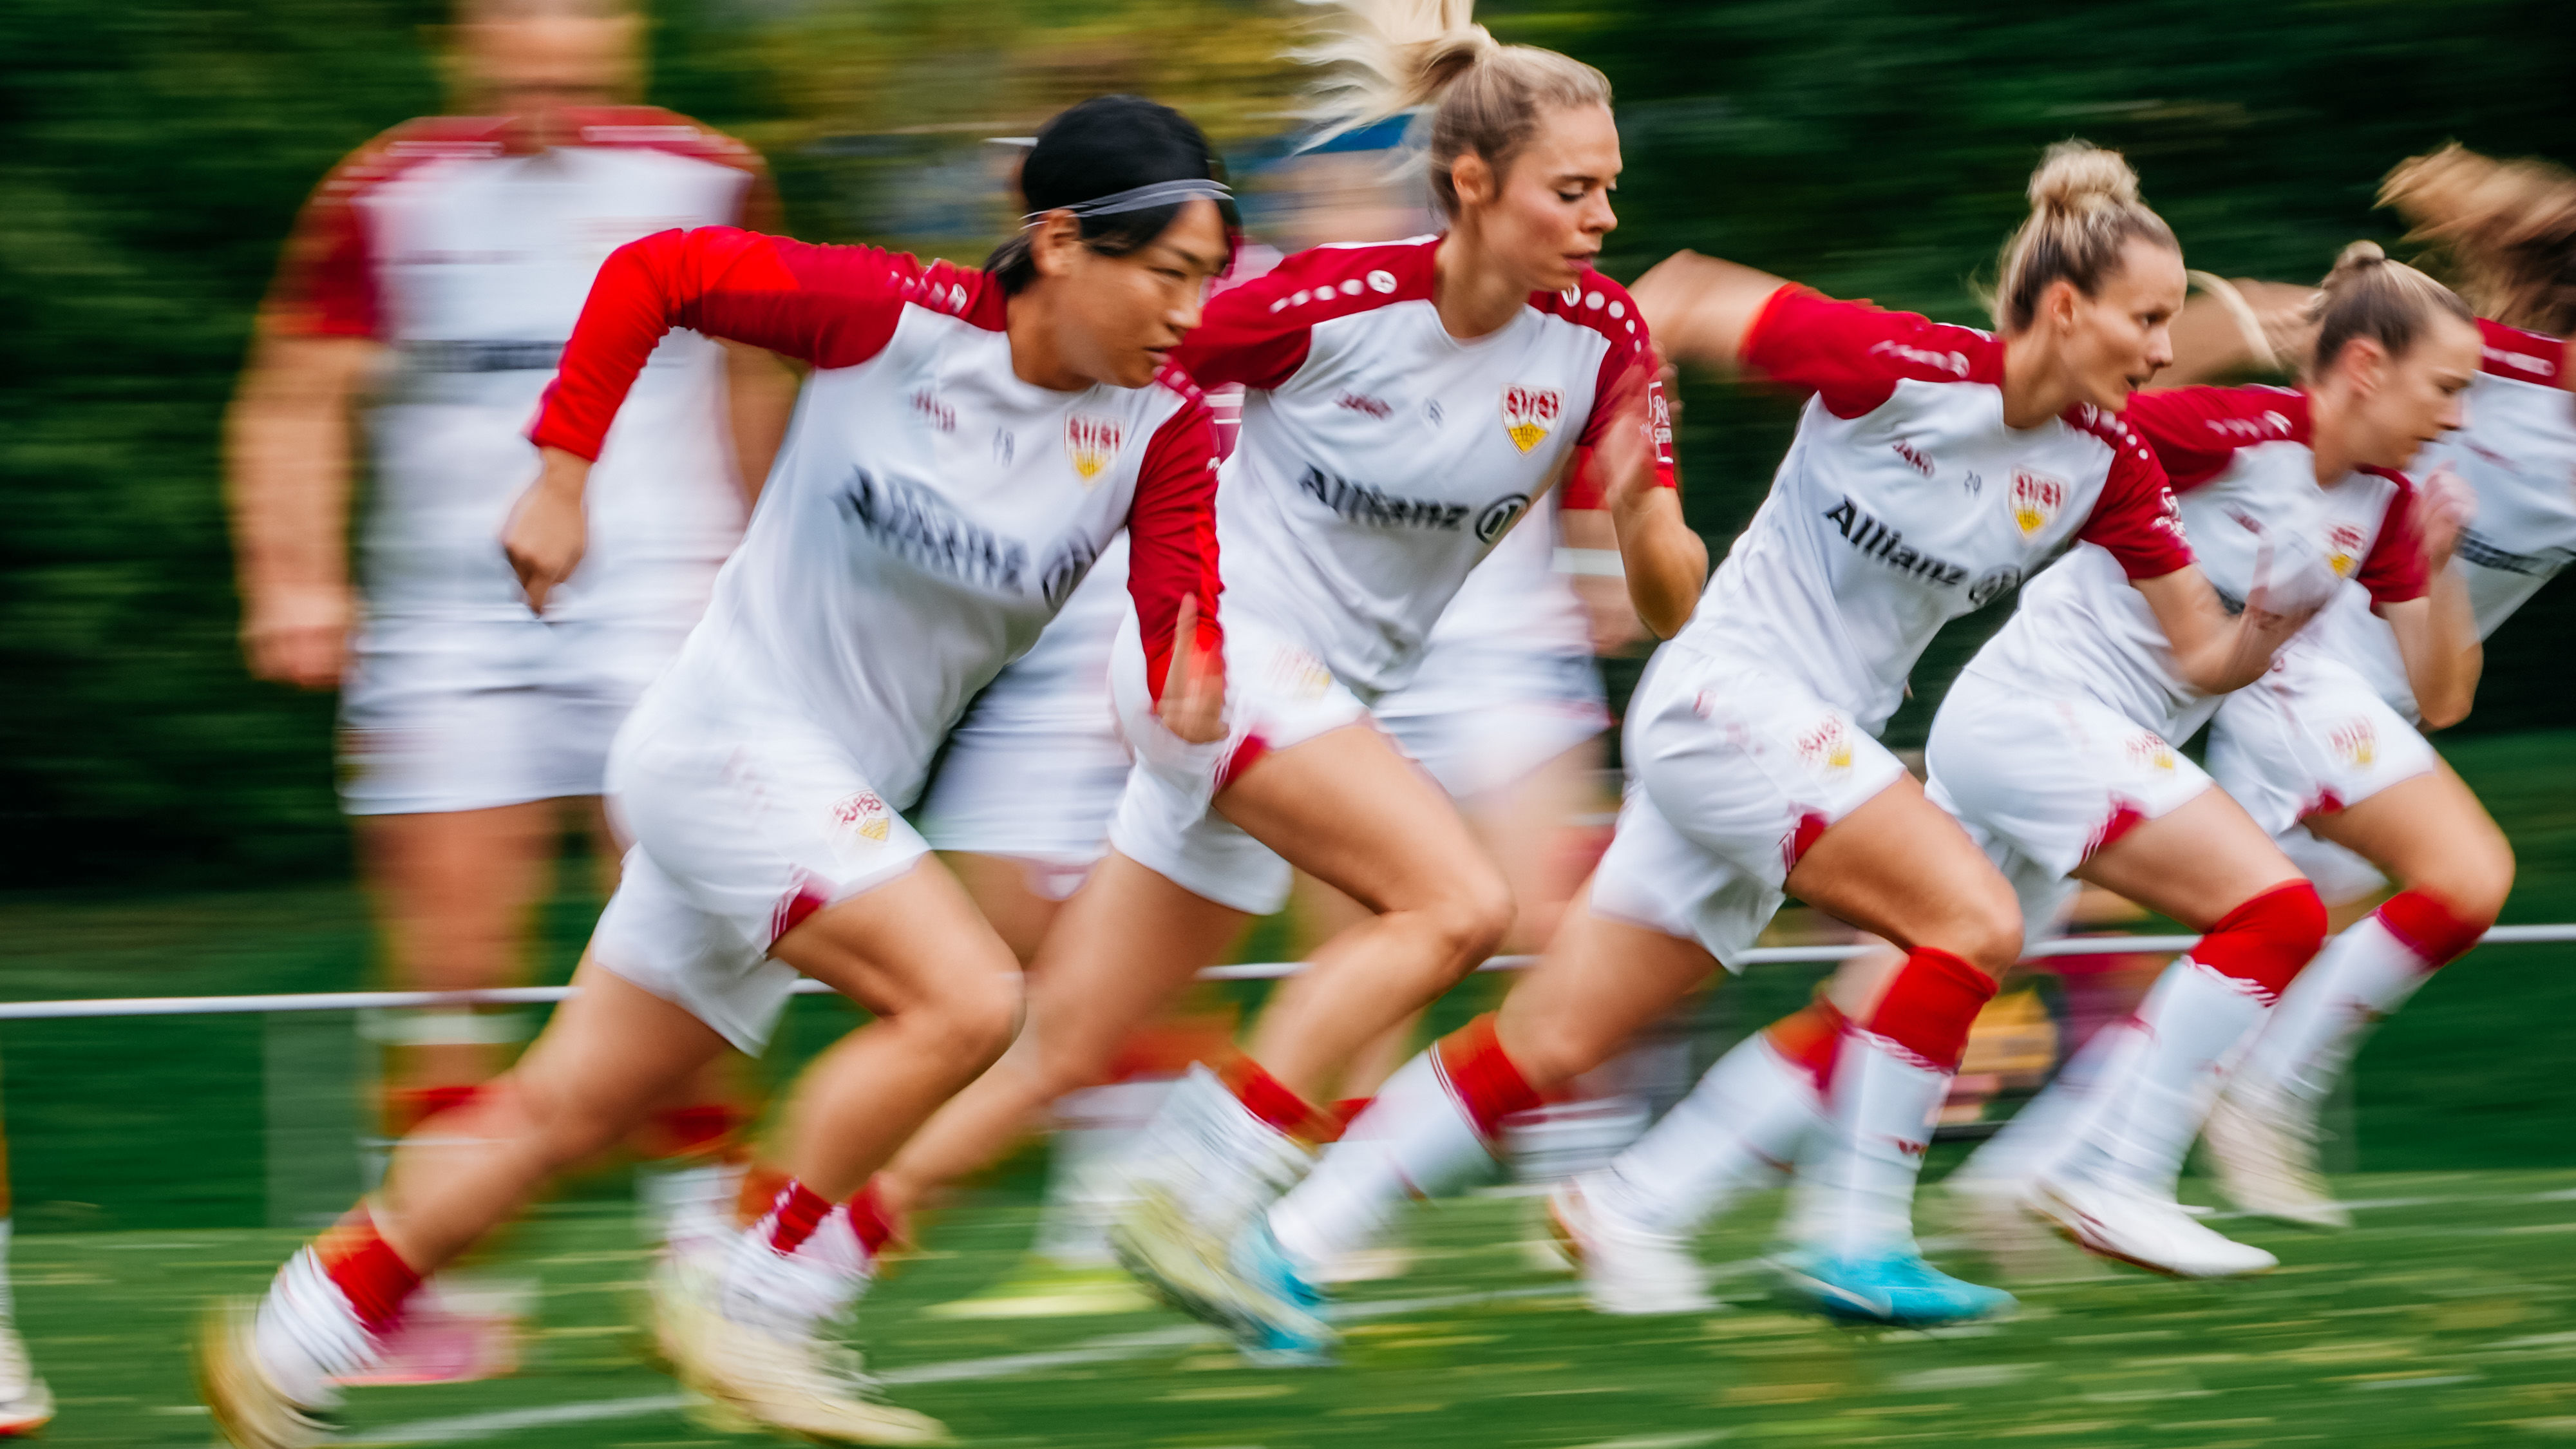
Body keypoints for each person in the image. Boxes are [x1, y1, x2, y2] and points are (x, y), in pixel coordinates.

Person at [196, 93, 1237, 1449]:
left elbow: (1182, 612)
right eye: (1168, 275)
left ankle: (284, 1346)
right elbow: (658, 271)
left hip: (812, 808)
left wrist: (1190, 679)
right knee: (969, 1000)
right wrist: (561, 476)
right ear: (1054, 243)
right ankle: (753, 1304)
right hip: (724, 745)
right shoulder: (890, 319)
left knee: (569, 1107)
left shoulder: (1160, 433)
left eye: (1207, 282)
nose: (1190, 313)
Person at [1173, 140, 2283, 1361]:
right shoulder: (1897, 362)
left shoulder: (2112, 465)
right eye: (2151, 319)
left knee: (1555, 1038)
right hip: (1723, 701)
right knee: (1970, 920)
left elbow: (2200, 655)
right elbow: (1685, 293)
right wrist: (1623, 428)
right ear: (2066, 309)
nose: (2168, 352)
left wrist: (2267, 627)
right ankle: (1854, 1237)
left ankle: (1289, 1241)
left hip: (1790, 751)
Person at [860, 0, 1701, 1307]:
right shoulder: (1328, 302)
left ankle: (789, 1260)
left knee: (1063, 1043)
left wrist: (1644, 511)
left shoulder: (1604, 344)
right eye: (1572, 190)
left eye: (1610, 191)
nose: (1601, 222)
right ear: (1471, 184)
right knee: (1454, 906)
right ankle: (1193, 1191)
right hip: (1219, 662)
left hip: (1304, 710)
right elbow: (1102, 355)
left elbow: (1664, 604)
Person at [223, 0, 796, 1365]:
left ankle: (697, 1241)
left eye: (579, 10)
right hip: (447, 625)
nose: (546, 41)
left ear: (628, 30)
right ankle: (418, 1280)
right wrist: (290, 577)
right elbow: (295, 396)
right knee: (448, 964)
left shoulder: (711, 178)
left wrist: (773, 580)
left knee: (684, 927)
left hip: (665, 610)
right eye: (513, 13)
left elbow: (765, 380)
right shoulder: (385, 193)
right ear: (459, 36)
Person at [1908, 242, 2476, 1283]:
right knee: (2278, 913)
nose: (2457, 416)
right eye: (2446, 387)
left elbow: (2443, 697)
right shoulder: (2228, 429)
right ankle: (2117, 1181)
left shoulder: (2388, 509)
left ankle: (1657, 1196)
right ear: (2362, 370)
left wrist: (2439, 570)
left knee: (1935, 974)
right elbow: (2056, 432)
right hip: (2031, 715)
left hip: (2087, 744)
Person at [2181, 150, 2569, 1227]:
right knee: (2463, 878)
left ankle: (2035, 1173)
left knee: (2266, 943)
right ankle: (2259, 1100)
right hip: (2293, 667)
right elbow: (2259, 341)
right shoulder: (2485, 363)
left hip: (2382, 703)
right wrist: (2273, 317)